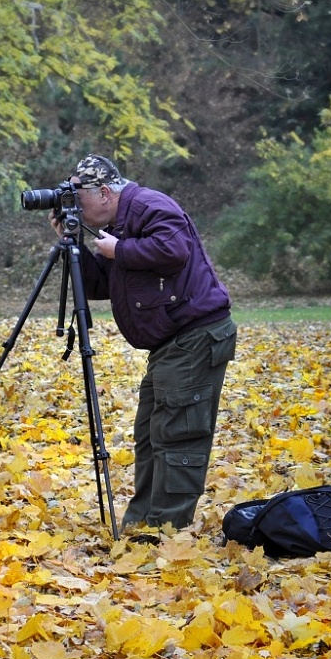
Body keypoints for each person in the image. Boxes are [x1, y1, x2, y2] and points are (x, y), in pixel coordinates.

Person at [54, 154, 237, 531]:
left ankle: (165, 534)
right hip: (172, 343)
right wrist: (71, 241)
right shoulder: (119, 222)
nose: (77, 207)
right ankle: (143, 526)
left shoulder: (152, 207)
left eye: (79, 198)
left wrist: (118, 250)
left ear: (104, 193)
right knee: (150, 437)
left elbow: (174, 251)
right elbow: (100, 284)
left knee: (177, 436)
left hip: (195, 337)